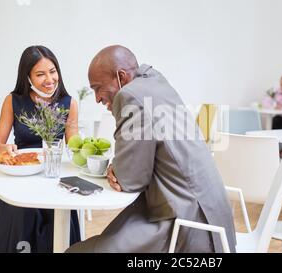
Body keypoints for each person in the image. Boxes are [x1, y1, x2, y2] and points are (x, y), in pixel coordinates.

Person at [66, 45, 236, 253]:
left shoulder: (130, 96)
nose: (97, 98)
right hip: (210, 215)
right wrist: (119, 166)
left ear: (121, 77)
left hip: (187, 224)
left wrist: (117, 168)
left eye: (97, 88)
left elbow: (130, 180)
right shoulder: (155, 82)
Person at [0, 45, 81, 252]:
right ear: (27, 76)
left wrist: (84, 149)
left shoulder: (69, 103)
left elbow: (74, 144)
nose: (49, 79)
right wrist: (7, 148)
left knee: (60, 209)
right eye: (40, 74)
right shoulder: (13, 101)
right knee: (23, 211)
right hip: (20, 177)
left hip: (53, 175)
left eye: (53, 71)